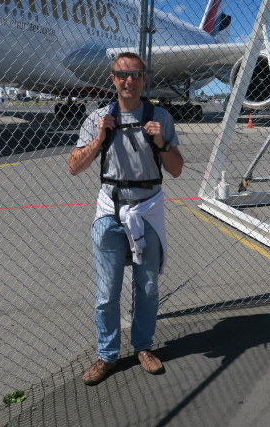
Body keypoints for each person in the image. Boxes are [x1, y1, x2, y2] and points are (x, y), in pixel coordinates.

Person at [68, 52, 184, 386]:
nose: (128, 81)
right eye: (122, 75)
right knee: (107, 291)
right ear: (113, 79)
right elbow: (74, 166)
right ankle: (107, 354)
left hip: (147, 208)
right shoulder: (98, 117)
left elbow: (176, 169)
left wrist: (160, 142)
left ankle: (143, 347)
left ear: (144, 80)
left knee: (147, 287)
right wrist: (99, 139)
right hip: (110, 210)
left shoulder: (159, 116)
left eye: (135, 74)